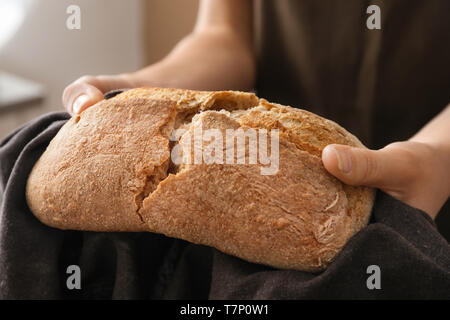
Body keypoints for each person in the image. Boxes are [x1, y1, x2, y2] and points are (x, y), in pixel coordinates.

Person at [62, 1, 449, 222]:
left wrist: (438, 156)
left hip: (435, 184)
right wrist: (143, 91)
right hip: (278, 196)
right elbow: (224, 36)